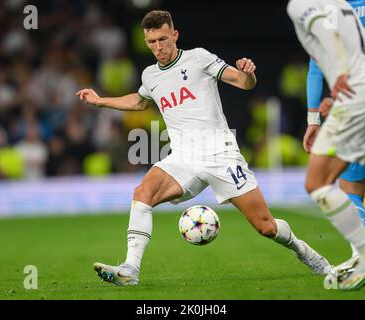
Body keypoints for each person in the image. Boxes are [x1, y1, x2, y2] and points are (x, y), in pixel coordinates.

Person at [77, 10, 330, 286]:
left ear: (175, 35)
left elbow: (242, 82)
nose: (158, 47)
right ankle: (130, 269)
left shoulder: (199, 57)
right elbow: (140, 102)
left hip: (221, 155)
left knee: (265, 226)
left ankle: (305, 252)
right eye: (151, 42)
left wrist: (248, 74)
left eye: (163, 39)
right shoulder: (150, 75)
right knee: (143, 192)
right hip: (183, 159)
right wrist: (101, 101)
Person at [287, 0, 365, 290]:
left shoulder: (304, 6)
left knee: (322, 182)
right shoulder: (346, 7)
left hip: (354, 101)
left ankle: (362, 256)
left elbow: (317, 62)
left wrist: (314, 118)